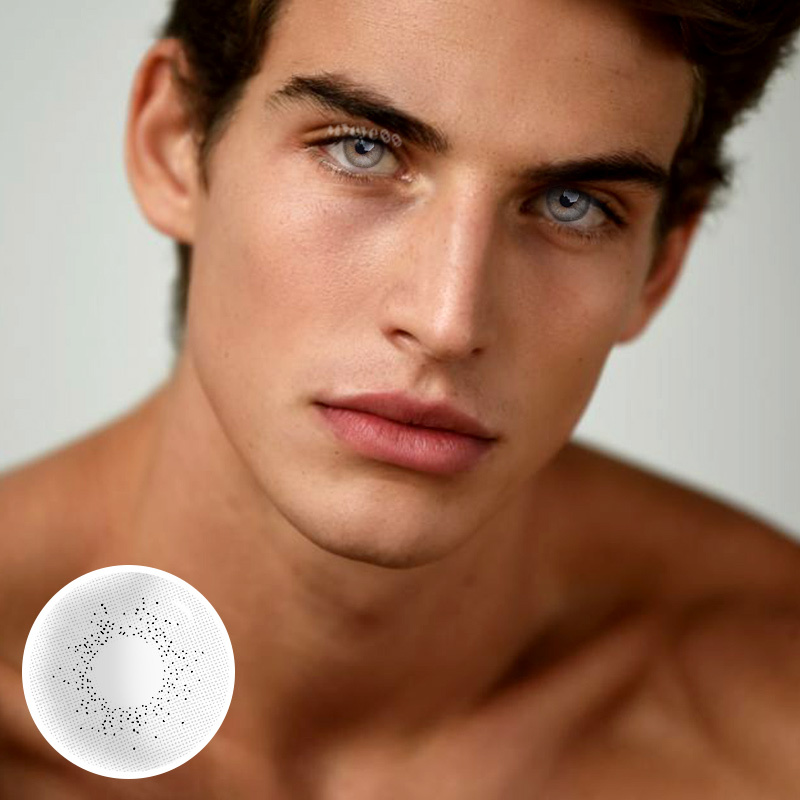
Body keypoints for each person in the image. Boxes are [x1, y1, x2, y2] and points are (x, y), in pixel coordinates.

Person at [2, 0, 800, 796]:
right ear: (173, 142)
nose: (449, 322)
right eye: (362, 150)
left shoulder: (765, 705)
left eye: (574, 203)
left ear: (659, 266)